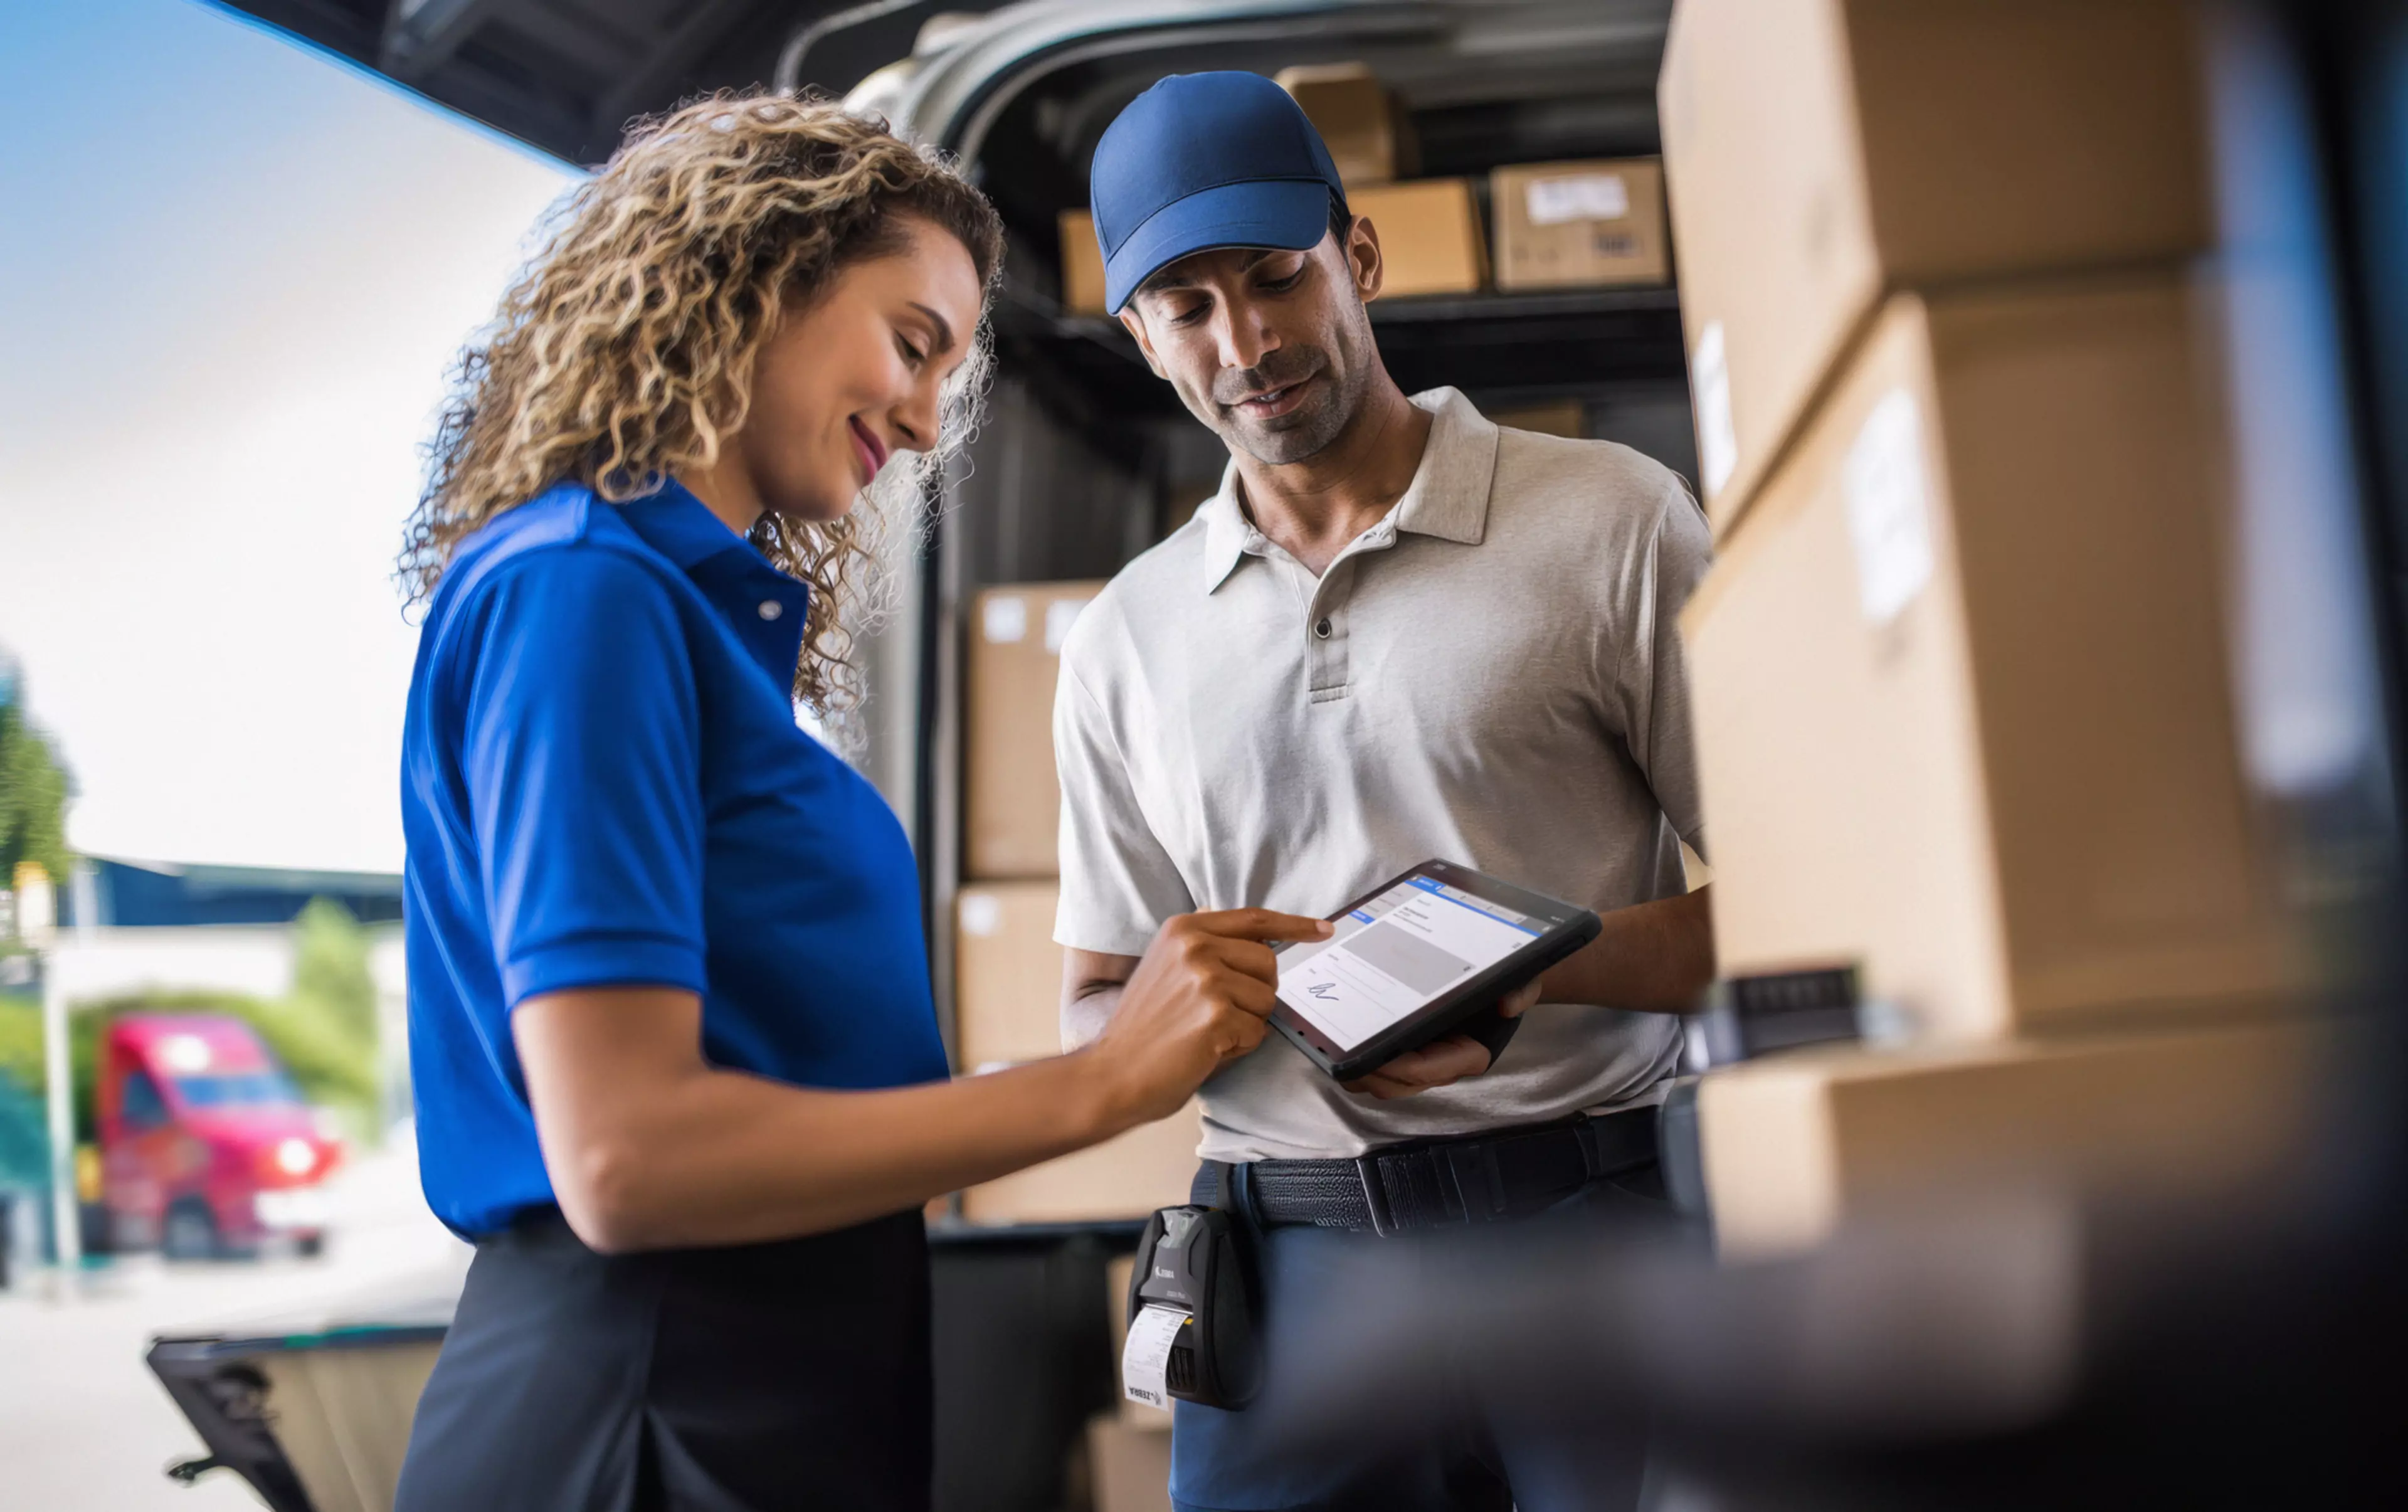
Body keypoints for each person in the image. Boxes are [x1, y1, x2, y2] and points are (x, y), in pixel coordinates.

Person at [389, 95, 1330, 1512]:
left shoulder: (685, 622)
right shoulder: (582, 592)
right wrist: (1095, 1082)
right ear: (754, 279)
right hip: (645, 1416)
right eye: (912, 342)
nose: (928, 412)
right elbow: (626, 1158)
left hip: (758, 1407)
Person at [1055, 73, 1718, 1511]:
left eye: (1276, 274)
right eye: (1187, 304)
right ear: (1140, 338)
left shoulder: (1612, 520)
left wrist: (1541, 972)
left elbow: (1798, 915)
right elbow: (1097, 1001)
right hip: (1286, 1278)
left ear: (1358, 258)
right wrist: (1188, 999)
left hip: (1592, 1231)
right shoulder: (1124, 636)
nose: (1248, 339)